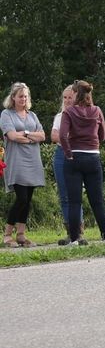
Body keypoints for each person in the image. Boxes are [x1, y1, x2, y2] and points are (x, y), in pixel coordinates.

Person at [59, 80, 105, 245]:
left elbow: (62, 135)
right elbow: (102, 135)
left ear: (75, 93)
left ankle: (74, 239)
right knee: (97, 200)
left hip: (74, 157)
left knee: (75, 201)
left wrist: (68, 153)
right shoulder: (97, 111)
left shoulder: (69, 112)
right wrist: (94, 142)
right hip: (92, 157)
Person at [2, 82, 47, 248]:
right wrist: (29, 138)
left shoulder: (32, 115)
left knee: (28, 199)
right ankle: (7, 235)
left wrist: (26, 134)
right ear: (13, 97)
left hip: (33, 161)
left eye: (26, 96)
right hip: (17, 161)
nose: (23, 99)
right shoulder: (7, 114)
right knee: (21, 198)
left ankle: (21, 234)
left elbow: (42, 136)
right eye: (20, 96)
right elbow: (12, 136)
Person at [51, 84, 85, 244]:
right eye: (64, 97)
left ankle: (79, 231)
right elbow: (54, 136)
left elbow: (83, 135)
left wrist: (65, 137)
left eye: (69, 97)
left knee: (76, 194)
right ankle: (70, 232)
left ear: (77, 98)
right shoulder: (60, 116)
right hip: (61, 154)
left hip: (77, 154)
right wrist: (67, 138)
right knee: (64, 195)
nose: (66, 100)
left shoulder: (81, 114)